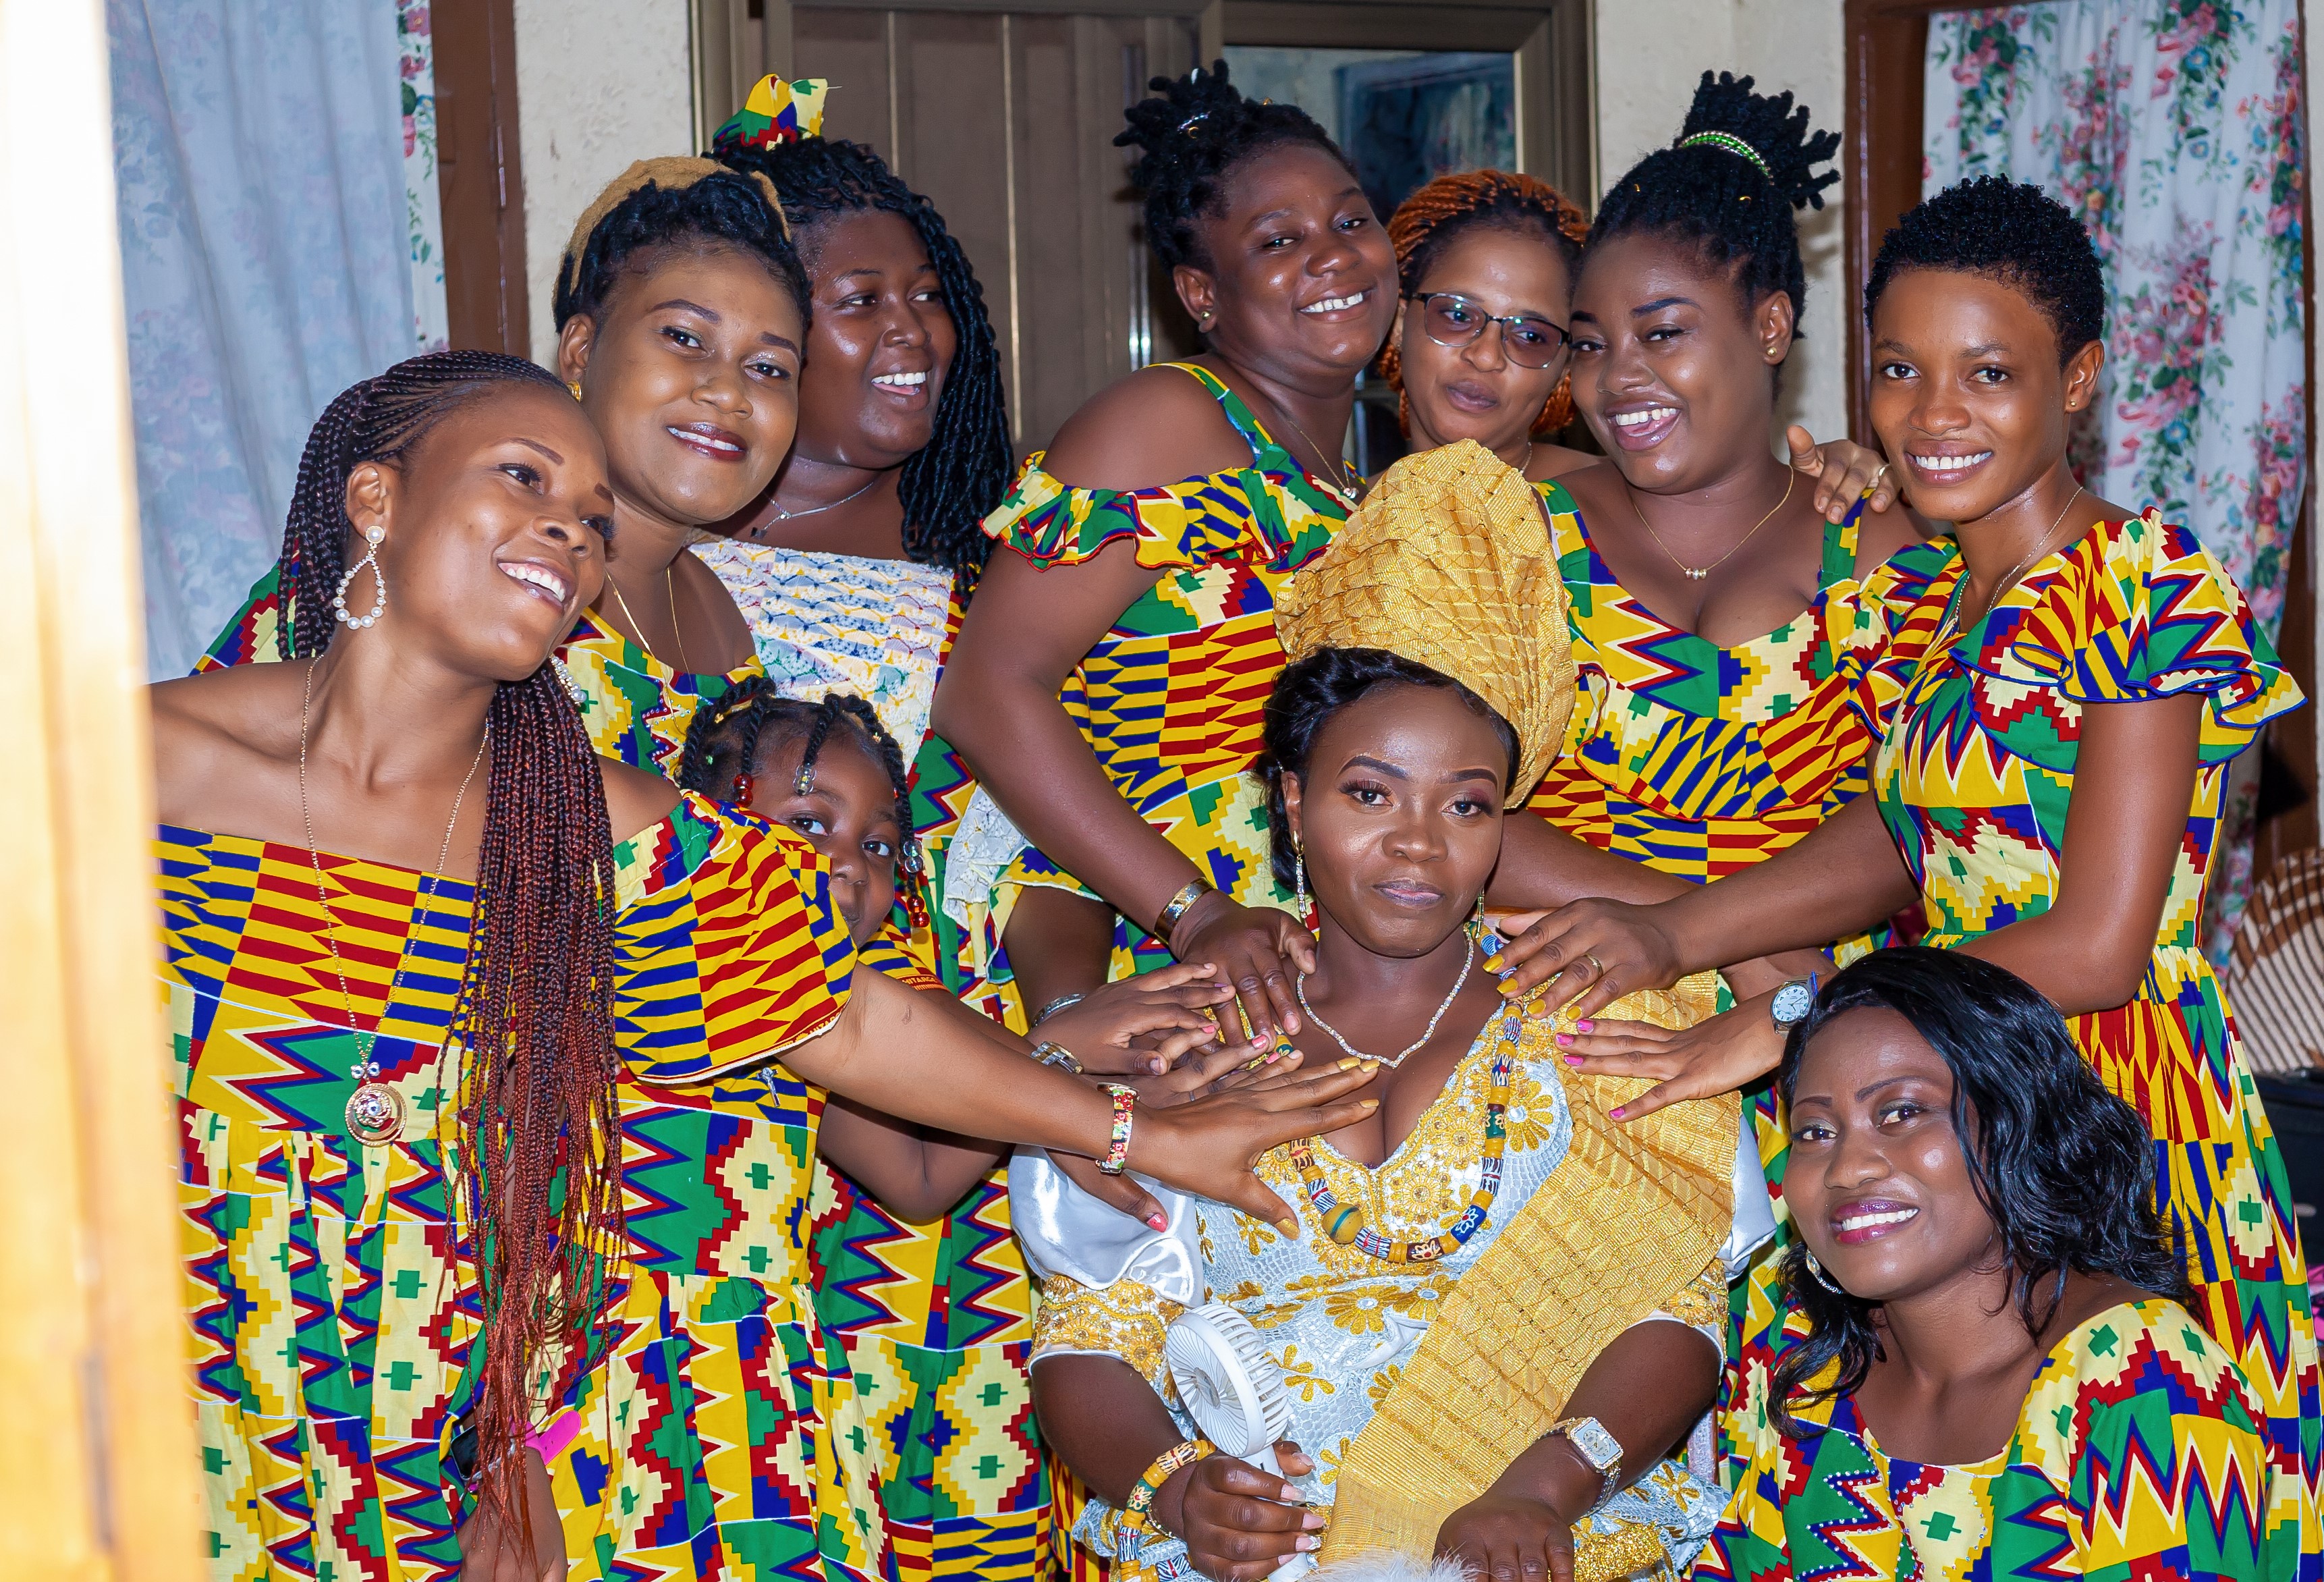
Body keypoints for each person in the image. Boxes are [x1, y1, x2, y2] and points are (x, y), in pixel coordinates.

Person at [157, 353, 1382, 1582]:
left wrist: (1136, 1132)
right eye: (523, 478)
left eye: (591, 518)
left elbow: (848, 1022)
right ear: (375, 498)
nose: (569, 533)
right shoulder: (126, 771)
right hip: (200, 1370)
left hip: (460, 1412)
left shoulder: (601, 827)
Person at [1513, 178, 2320, 1556]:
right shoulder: (1927, 595)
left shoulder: (2138, 576)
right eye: (1899, 370)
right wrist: (1683, 935)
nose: (1934, 412)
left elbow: (2097, 943)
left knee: (2132, 1499)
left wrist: (1801, 1015)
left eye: (1987, 373)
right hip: (1924, 1088)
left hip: (2097, 1092)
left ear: (2078, 380)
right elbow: (1902, 832)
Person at [1018, 442, 1738, 1582]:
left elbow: (1675, 1310)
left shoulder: (1593, 1009)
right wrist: (1177, 1488)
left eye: (1465, 805)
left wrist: (1541, 1490)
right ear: (1292, 801)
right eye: (1368, 793)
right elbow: (1088, 1335)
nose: (1416, 843)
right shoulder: (1183, 1035)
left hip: (1532, 1543)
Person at [700, 86, 1083, 1582]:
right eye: (858, 302)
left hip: (993, 1125)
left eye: (925, 296)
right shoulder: (660, 582)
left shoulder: (1002, 576)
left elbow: (1053, 844)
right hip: (761, 1132)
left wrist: (1060, 1045)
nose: (913, 330)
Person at [200, 151, 807, 775]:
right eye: (683, 337)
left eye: (770, 368)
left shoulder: (732, 618)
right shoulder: (441, 568)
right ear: (580, 349)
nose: (729, 393)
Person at [1704, 947, 2300, 1579]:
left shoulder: (2143, 1379)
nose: (1847, 1169)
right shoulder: (1815, 1370)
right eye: (1815, 1132)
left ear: (2021, 1122)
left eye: (1902, 1112)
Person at [1380, 164, 1895, 518]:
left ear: (1563, 367)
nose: (1486, 355)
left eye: (1531, 335)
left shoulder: (1620, 505)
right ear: (1401, 323)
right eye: (1456, 315)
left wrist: (1863, 482)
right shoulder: (1344, 519)